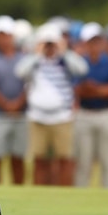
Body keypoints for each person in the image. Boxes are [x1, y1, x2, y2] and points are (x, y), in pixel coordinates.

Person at [15, 22, 88, 186]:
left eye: (52, 43)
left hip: (62, 117)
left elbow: (82, 69)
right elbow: (20, 72)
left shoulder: (65, 61)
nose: (49, 47)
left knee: (64, 159)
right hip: (37, 118)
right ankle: (40, 193)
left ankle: (64, 194)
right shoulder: (35, 61)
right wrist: (38, 53)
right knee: (39, 160)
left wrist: (63, 51)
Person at [74, 22, 108, 188]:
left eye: (97, 41)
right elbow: (78, 89)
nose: (94, 45)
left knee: (107, 159)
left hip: (106, 113)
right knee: (84, 161)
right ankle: (81, 195)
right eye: (91, 42)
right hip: (85, 113)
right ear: (85, 43)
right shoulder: (79, 63)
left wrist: (95, 89)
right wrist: (98, 90)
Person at [0, 15, 27, 185]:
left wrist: (17, 104)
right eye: (0, 35)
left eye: (7, 35)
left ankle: (19, 193)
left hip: (20, 115)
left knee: (18, 158)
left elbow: (28, 85)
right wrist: (6, 105)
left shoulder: (23, 57)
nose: (4, 39)